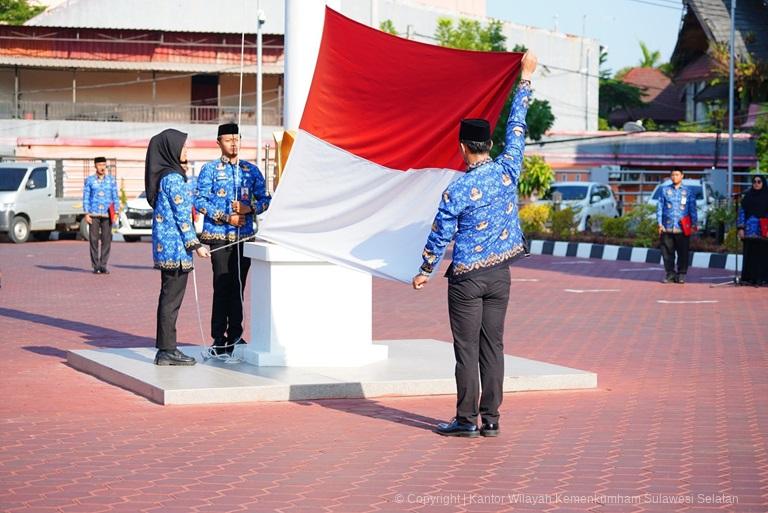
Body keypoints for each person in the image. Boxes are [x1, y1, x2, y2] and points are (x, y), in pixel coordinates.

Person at [412, 52, 538, 438]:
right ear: (488, 144)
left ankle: (466, 420)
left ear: (464, 147)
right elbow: (517, 126)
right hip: (501, 275)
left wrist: (425, 270)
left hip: (467, 279)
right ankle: (493, 419)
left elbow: (440, 232)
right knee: (493, 346)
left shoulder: (458, 188)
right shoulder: (508, 168)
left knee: (466, 349)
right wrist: (526, 78)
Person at [194, 123, 271, 355]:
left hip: (243, 238)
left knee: (238, 287)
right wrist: (226, 217)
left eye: (237, 139)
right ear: (219, 143)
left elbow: (266, 199)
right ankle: (219, 338)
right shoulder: (209, 170)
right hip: (218, 238)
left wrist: (250, 209)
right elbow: (199, 200)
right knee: (222, 287)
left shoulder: (251, 170)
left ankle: (236, 336)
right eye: (228, 140)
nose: (234, 143)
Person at [145, 129, 210, 366]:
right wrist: (196, 245)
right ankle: (167, 350)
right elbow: (183, 217)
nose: (186, 150)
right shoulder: (173, 178)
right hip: (175, 250)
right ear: (171, 150)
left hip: (169, 248)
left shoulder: (166, 176)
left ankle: (166, 348)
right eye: (183, 147)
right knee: (171, 301)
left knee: (168, 299)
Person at [657, 169, 697, 284]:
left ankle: (681, 274)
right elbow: (659, 207)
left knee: (683, 253)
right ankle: (670, 274)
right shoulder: (664, 190)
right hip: (667, 226)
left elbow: (692, 209)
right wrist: (660, 223)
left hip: (682, 228)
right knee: (667, 253)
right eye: (673, 175)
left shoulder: (688, 191)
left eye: (677, 175)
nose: (675, 177)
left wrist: (694, 224)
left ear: (682, 176)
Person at [83, 157, 119, 274]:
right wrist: (86, 213)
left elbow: (115, 196)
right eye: (100, 165)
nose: (102, 167)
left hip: (107, 214)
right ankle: (95, 266)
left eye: (104, 165)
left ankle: (103, 265)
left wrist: (117, 212)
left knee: (106, 240)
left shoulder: (111, 180)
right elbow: (86, 197)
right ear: (95, 166)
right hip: (94, 214)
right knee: (93, 240)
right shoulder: (90, 180)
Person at [737, 174, 768, 285]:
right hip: (749, 231)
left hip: (763, 231)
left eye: (759, 182)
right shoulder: (748, 197)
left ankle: (762, 279)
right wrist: (740, 228)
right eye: (754, 181)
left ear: (763, 183)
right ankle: (748, 278)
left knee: (763, 255)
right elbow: (741, 213)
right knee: (749, 254)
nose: (756, 184)